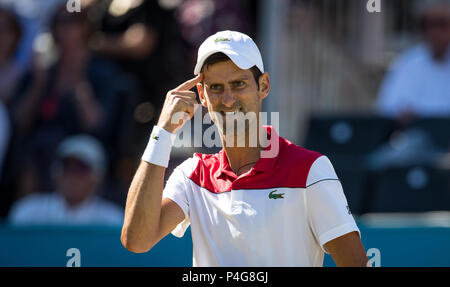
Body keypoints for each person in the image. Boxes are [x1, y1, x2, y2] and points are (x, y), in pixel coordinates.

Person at [121, 30, 368, 267]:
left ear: (264, 86)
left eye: (238, 84)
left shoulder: (311, 169)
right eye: (215, 87)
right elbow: (136, 241)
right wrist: (162, 133)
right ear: (202, 95)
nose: (227, 99)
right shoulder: (191, 175)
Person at [8, 134, 123, 225]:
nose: (72, 175)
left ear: (97, 177)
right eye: (66, 167)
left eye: (81, 168)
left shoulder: (113, 220)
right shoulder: (28, 212)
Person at [376, 0, 450, 118]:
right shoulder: (407, 63)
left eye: (442, 24)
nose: (435, 32)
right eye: (428, 25)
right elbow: (386, 108)